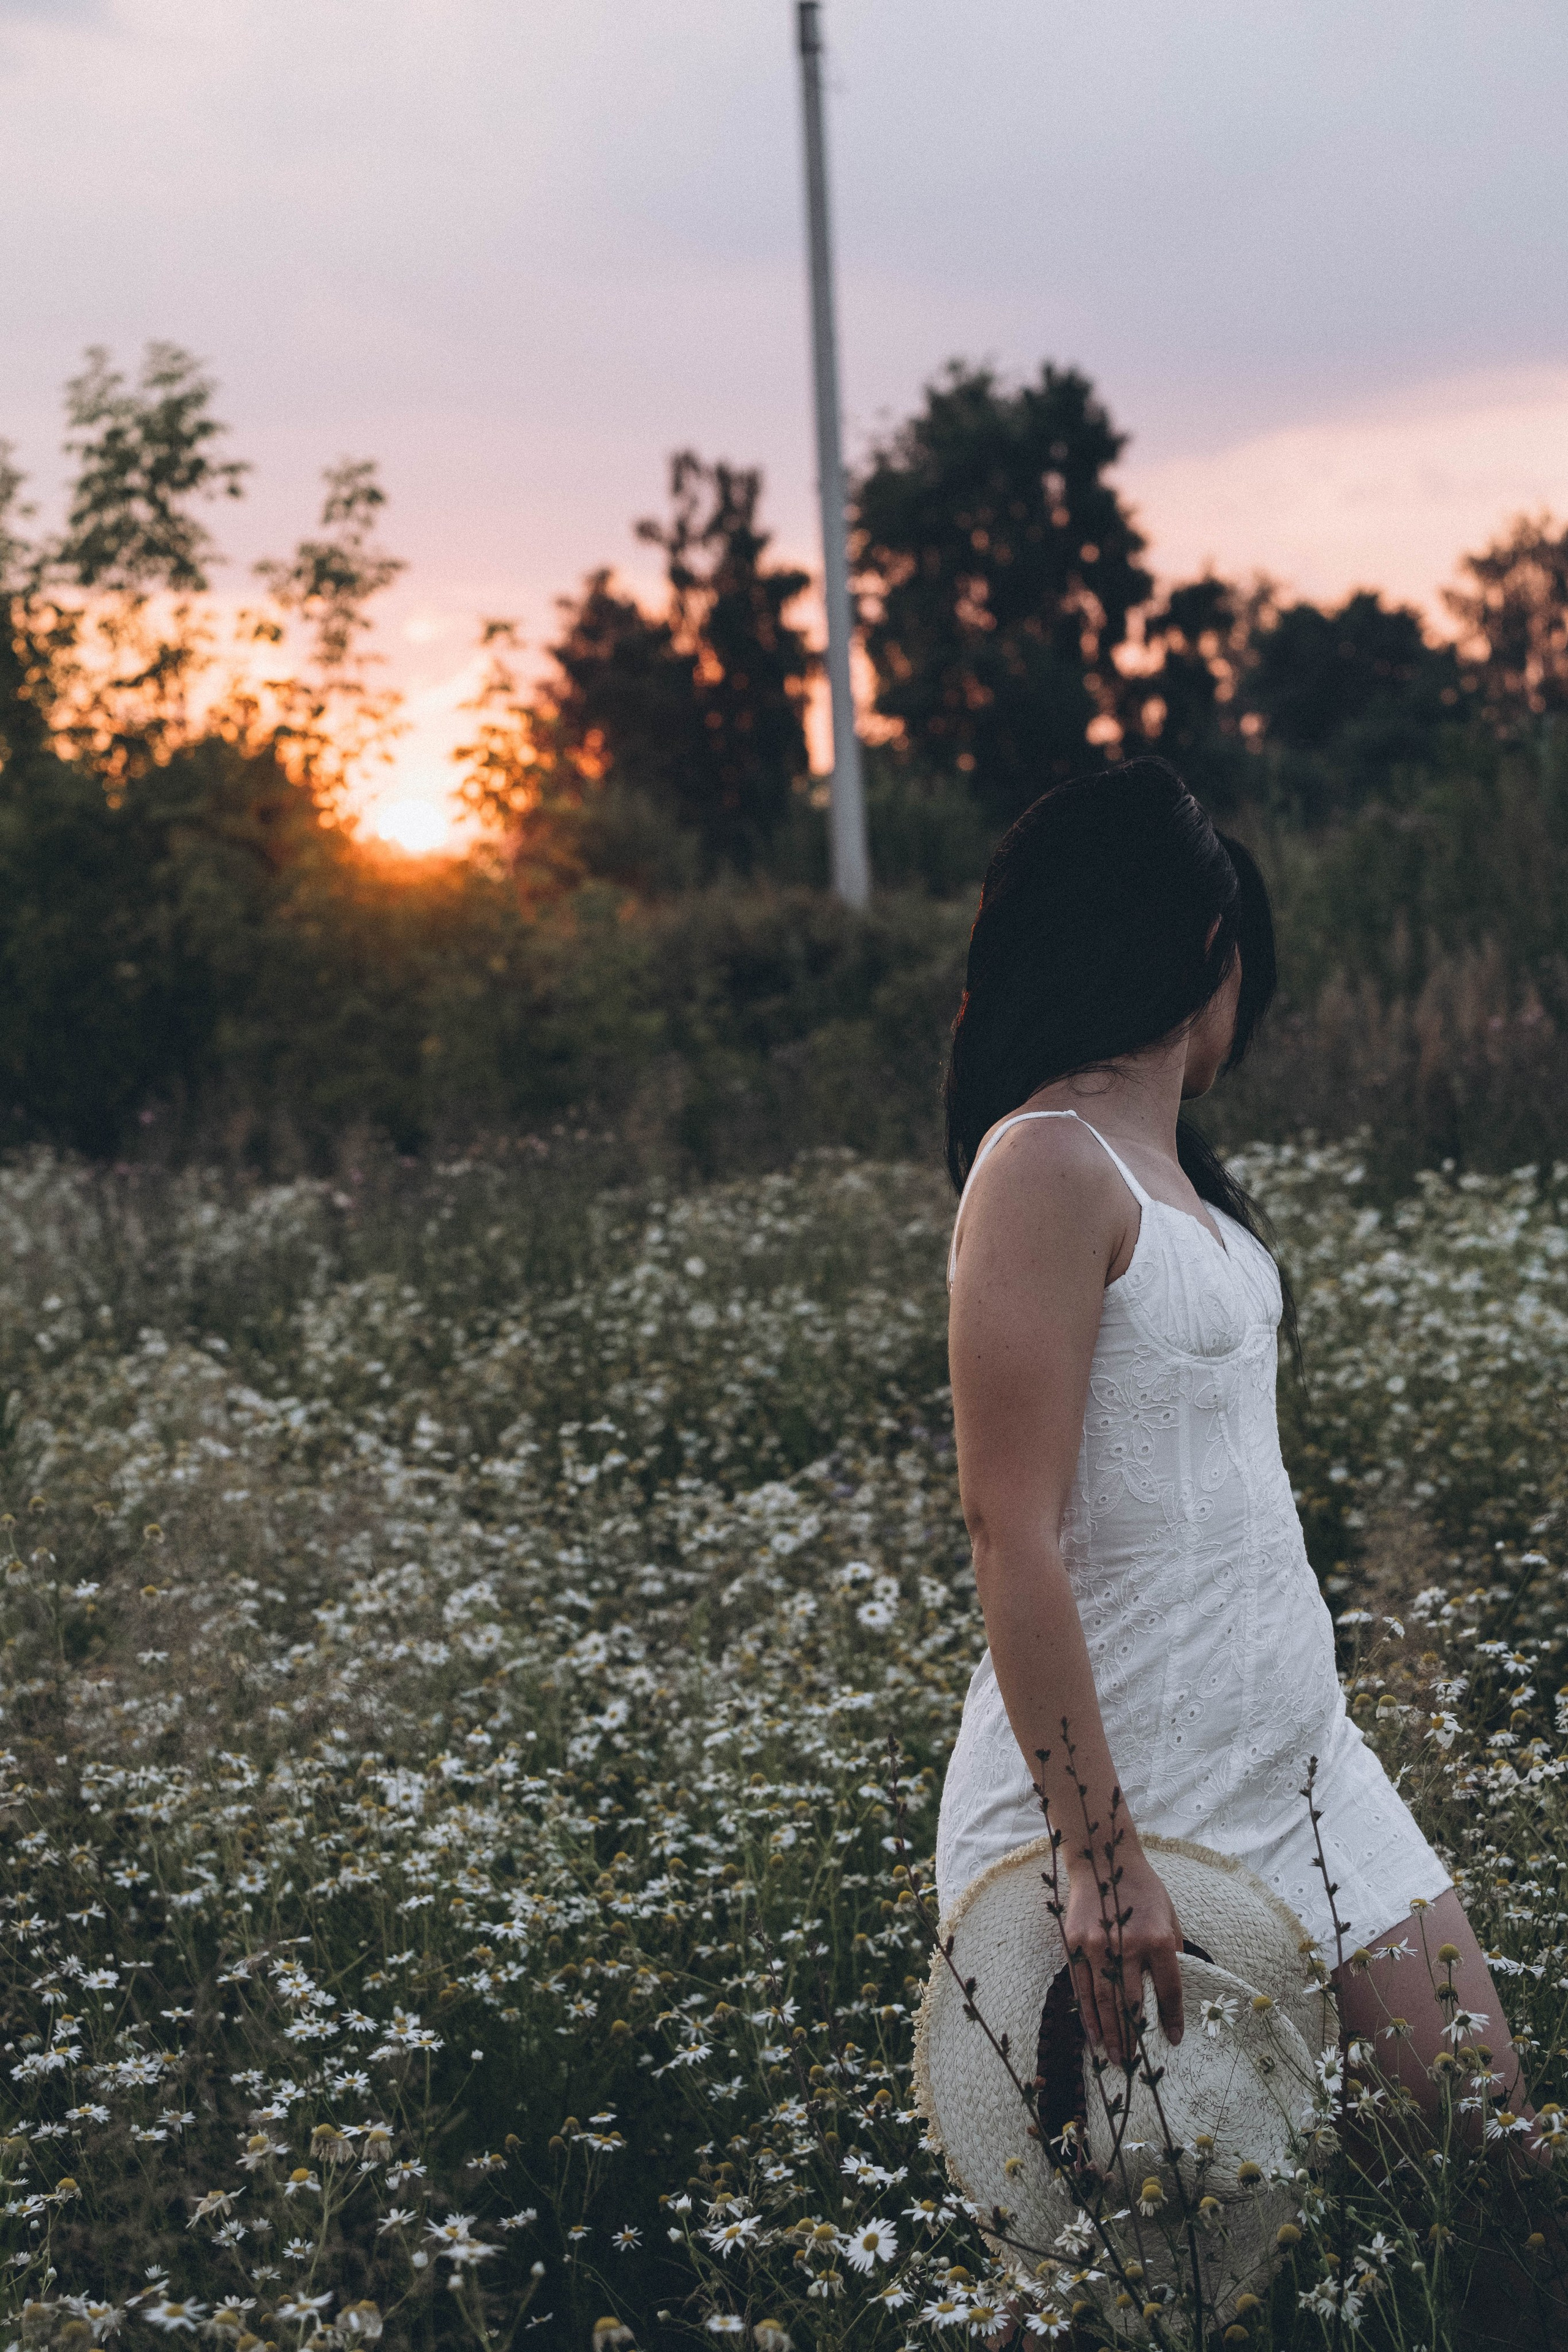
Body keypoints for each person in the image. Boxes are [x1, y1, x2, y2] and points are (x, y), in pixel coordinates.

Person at [935, 758, 1531, 2137]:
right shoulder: (1042, 1162)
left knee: (1481, 2136)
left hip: (1296, 1758)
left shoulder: (1175, 1176)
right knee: (1112, 2265)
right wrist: (1098, 1855)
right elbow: (1003, 1528)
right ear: (1206, 947)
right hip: (1136, 1791)